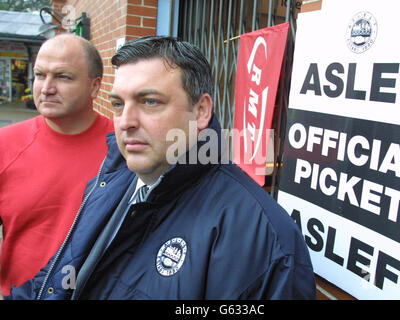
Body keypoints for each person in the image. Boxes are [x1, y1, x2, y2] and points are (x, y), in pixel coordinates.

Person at [7, 36, 316, 300]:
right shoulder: (113, 177)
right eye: (118, 104)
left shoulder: (265, 238)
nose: (125, 122)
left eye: (150, 102)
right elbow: (58, 279)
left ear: (201, 110)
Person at [0, 33, 114, 297]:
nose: (46, 88)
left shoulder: (125, 148)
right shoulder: (5, 145)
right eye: (40, 75)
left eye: (63, 77)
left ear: (95, 86)